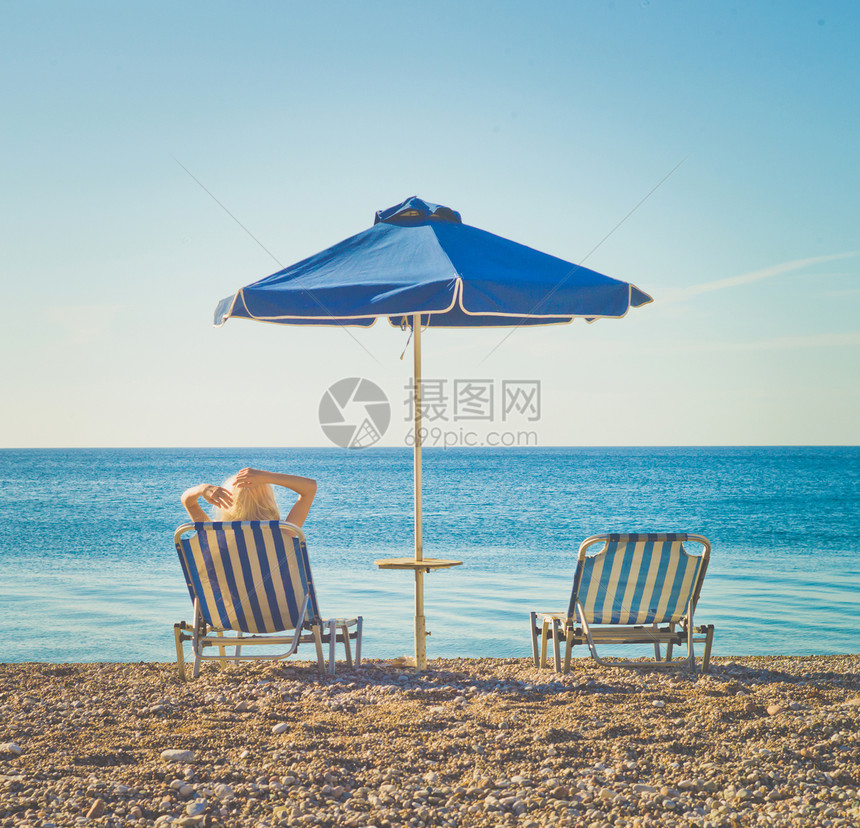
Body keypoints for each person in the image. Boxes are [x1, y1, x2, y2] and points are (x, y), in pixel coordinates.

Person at [181, 467, 317, 527]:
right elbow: (310, 488)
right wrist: (268, 477)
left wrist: (202, 488)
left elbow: (188, 502)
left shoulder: (212, 534)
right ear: (268, 501)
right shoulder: (285, 533)